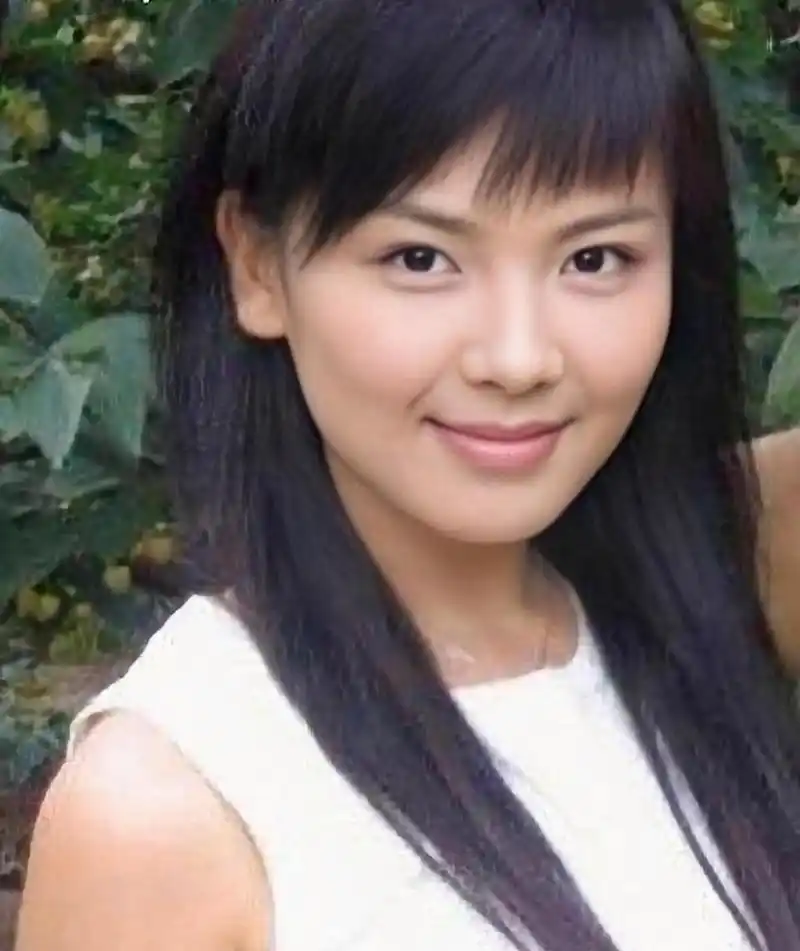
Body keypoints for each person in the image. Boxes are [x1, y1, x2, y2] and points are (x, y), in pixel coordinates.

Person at [14, 1, 800, 949]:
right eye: (420, 258)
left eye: (596, 257)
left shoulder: (705, 589)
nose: (518, 357)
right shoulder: (170, 808)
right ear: (257, 265)